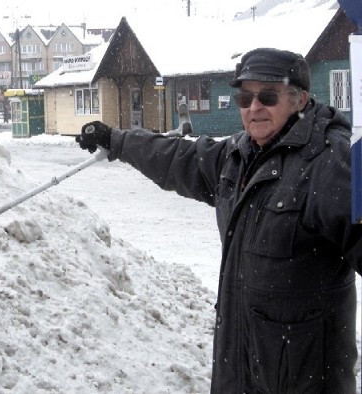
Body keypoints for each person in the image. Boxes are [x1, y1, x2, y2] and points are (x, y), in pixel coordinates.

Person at [75, 47, 362, 393]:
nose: (254, 107)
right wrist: (116, 140)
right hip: (239, 372)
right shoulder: (239, 155)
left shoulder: (330, 164)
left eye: (268, 96)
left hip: (302, 381)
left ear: (299, 100)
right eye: (245, 97)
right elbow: (179, 158)